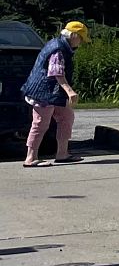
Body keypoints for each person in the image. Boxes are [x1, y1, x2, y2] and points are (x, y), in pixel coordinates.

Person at [21, 20, 88, 167]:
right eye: (81, 38)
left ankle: (62, 153)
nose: (81, 42)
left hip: (54, 93)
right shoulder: (58, 49)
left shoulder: (61, 45)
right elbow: (56, 73)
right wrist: (70, 91)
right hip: (43, 92)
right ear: (74, 35)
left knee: (66, 117)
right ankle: (30, 158)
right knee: (40, 124)